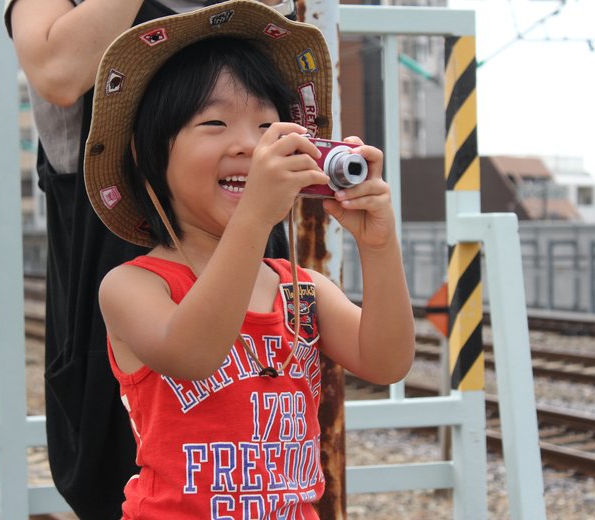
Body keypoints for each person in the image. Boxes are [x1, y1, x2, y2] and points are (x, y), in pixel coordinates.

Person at [83, 2, 416, 517]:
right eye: (214, 122)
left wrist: (378, 246)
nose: (249, 146)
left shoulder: (300, 289)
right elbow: (193, 355)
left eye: (268, 127)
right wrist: (254, 218)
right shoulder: (135, 287)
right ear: (150, 155)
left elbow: (388, 361)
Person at [3, 1, 297, 517]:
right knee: (126, 469)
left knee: (264, 449)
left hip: (245, 242)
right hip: (116, 253)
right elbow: (58, 72)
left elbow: (386, 358)